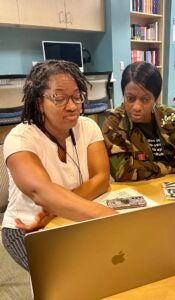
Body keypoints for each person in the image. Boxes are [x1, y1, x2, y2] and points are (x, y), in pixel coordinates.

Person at [2, 60, 116, 270]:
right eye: (60, 98)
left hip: (73, 219)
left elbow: (101, 179)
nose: (72, 106)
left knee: (114, 264)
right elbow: (41, 191)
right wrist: (108, 216)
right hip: (27, 228)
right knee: (64, 276)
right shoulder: (19, 139)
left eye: (76, 96)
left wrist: (55, 211)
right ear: (39, 102)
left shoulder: (88, 127)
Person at [102, 61, 175, 182]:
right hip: (137, 192)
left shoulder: (171, 118)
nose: (136, 107)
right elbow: (124, 172)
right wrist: (172, 167)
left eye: (145, 99)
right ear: (123, 95)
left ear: (155, 99)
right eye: (130, 98)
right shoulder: (114, 123)